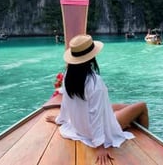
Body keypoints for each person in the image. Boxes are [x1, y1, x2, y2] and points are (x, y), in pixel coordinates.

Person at [46, 34, 149, 164]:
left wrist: (59, 120)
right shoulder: (95, 83)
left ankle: (127, 117)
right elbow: (95, 116)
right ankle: (147, 141)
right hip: (100, 131)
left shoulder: (68, 76)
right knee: (142, 106)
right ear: (91, 57)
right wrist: (99, 147)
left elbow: (66, 103)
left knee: (121, 106)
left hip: (79, 127)